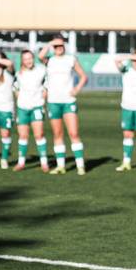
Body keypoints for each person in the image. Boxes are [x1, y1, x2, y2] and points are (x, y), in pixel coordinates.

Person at [39, 34, 88, 175]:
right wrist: (50, 43)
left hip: (68, 101)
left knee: (73, 133)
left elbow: (83, 76)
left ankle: (80, 165)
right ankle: (61, 166)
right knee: (57, 133)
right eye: (56, 46)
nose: (58, 48)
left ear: (64, 46)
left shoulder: (70, 59)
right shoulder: (49, 60)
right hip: (53, 101)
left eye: (60, 45)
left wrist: (77, 88)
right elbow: (40, 56)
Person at [13, 49, 49, 172]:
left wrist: (41, 100)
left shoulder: (41, 70)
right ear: (22, 61)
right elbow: (16, 89)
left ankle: (44, 162)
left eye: (30, 58)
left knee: (39, 134)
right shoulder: (19, 74)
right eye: (26, 59)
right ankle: (21, 162)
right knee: (23, 135)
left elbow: (46, 88)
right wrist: (22, 101)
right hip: (22, 108)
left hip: (37, 107)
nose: (28, 61)